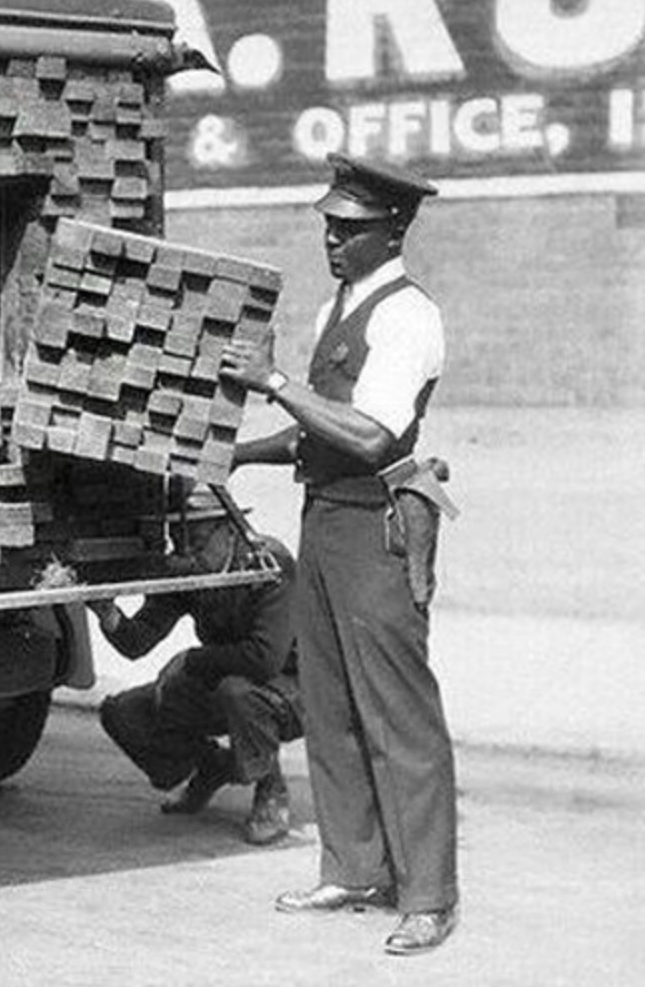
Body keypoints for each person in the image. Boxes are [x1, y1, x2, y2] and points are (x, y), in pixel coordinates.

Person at [220, 152, 459, 955]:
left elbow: (369, 432)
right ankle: (354, 867)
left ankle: (427, 895)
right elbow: (315, 428)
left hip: (376, 528)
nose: (332, 238)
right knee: (330, 708)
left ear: (392, 230)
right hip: (323, 519)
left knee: (399, 714)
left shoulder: (407, 315)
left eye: (349, 228)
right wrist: (238, 455)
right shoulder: (337, 309)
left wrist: (276, 379)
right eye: (328, 224)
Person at [87, 485, 301, 846]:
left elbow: (264, 659)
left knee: (238, 691)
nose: (189, 554)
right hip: (228, 683)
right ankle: (211, 766)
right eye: (180, 543)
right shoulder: (191, 570)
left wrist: (192, 660)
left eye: (198, 542)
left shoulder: (268, 562)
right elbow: (138, 641)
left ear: (229, 530)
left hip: (294, 689)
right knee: (125, 712)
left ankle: (270, 788)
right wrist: (109, 614)